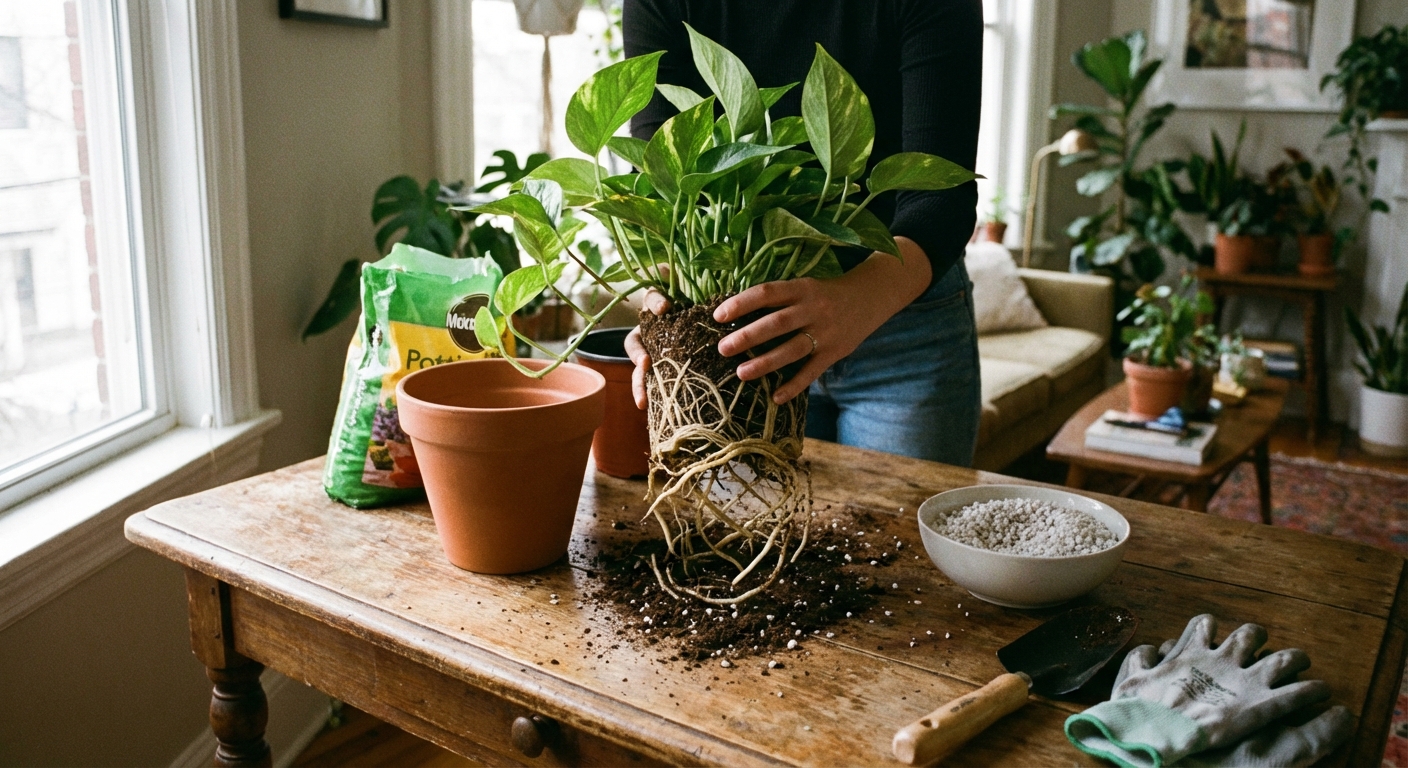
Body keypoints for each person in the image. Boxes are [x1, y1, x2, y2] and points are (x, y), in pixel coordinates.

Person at [621, 0, 984, 466]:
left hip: (901, 321)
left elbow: (940, 200)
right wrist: (668, 305)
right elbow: (667, 185)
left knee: (899, 529)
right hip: (745, 339)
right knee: (739, 528)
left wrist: (853, 302)